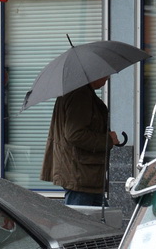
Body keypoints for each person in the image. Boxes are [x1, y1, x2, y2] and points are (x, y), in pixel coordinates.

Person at [42, 77, 120, 209]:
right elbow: (75, 134)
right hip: (81, 173)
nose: (107, 78)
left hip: (84, 174)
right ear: (94, 73)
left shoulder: (78, 92)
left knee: (101, 222)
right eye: (105, 74)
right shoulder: (80, 95)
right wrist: (107, 139)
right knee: (78, 224)